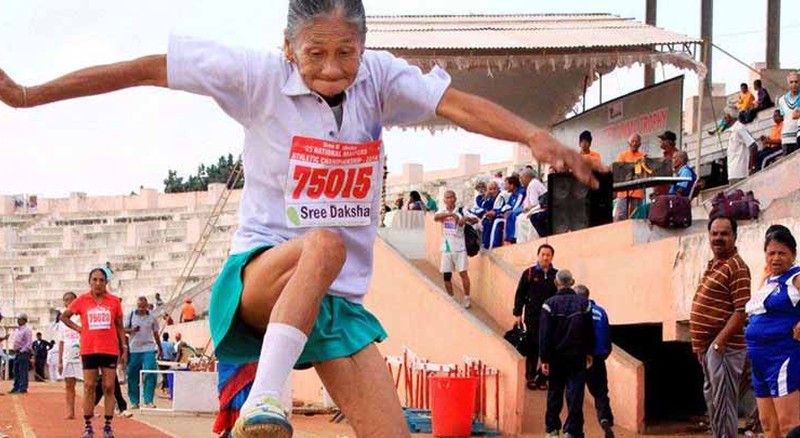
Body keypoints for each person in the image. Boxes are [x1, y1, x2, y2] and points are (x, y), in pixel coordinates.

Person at [0, 1, 598, 435]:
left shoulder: (381, 78)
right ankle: (267, 399)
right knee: (325, 242)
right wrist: (28, 95)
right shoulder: (254, 77)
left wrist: (533, 136)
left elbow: (456, 103)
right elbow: (146, 68)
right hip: (261, 276)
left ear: (363, 47)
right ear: (288, 46)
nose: (332, 69)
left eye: (346, 54)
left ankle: (270, 397)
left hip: (336, 302)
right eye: (315, 54)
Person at [690, 215, 751, 438]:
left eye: (724, 234)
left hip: (725, 349)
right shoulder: (715, 264)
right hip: (710, 349)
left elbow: (741, 310)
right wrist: (702, 347)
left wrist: (718, 344)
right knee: (714, 403)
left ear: (735, 236)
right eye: (714, 233)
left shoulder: (737, 267)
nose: (718, 238)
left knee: (723, 406)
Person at [744, 227, 800, 437]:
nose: (776, 258)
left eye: (782, 253)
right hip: (759, 360)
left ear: (793, 254)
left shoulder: (795, 277)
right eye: (771, 253)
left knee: (789, 425)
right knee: (768, 425)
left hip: (782, 358)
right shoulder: (768, 280)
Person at [61, 268, 128, 438]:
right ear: (89, 282)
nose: (98, 283)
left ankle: (108, 426)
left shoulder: (114, 301)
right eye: (95, 280)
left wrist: (124, 348)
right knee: (89, 386)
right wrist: (79, 329)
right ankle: (88, 426)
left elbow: (119, 326)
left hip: (109, 349)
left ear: (106, 282)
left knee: (109, 386)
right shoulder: (82, 300)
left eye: (101, 280)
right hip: (89, 349)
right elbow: (64, 317)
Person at [539, 270, 595, 438]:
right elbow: (589, 331)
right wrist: (589, 352)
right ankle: (571, 430)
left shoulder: (549, 304)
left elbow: (544, 334)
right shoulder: (584, 304)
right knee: (575, 394)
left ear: (556, 283)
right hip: (577, 356)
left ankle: (552, 429)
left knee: (554, 393)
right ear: (572, 282)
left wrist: (544, 358)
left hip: (556, 357)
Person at [513, 243, 557, 390]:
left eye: (548, 255)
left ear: (552, 257)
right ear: (538, 256)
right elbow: (520, 294)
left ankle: (543, 379)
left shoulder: (556, 275)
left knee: (548, 348)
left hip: (550, 319)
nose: (545, 257)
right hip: (532, 317)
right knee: (532, 347)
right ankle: (531, 377)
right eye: (543, 254)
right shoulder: (529, 273)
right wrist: (517, 313)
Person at [574, 284, 614, 438]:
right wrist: (603, 354)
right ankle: (604, 419)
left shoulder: (575, 312)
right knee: (601, 393)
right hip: (598, 358)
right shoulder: (600, 312)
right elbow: (607, 336)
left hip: (579, 358)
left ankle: (576, 430)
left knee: (576, 395)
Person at [434, 190, 478, 309]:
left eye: (451, 197)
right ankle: (451, 298)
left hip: (460, 248)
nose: (449, 199)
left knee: (463, 273)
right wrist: (449, 215)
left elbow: (475, 219)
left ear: (455, 198)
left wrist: (466, 219)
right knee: (446, 276)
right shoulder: (442, 211)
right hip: (446, 248)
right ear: (444, 200)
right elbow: (436, 217)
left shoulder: (462, 210)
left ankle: (467, 298)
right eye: (447, 197)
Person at [124, 296, 164, 409]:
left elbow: (155, 333)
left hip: (148, 348)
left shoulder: (152, 317)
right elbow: (123, 329)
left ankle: (148, 400)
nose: (141, 308)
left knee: (150, 372)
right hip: (134, 349)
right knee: (132, 375)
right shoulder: (131, 315)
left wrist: (160, 347)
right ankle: (134, 401)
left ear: (147, 306)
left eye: (143, 306)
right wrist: (131, 330)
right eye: (139, 306)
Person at [58, 292, 83, 419]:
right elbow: (61, 341)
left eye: (71, 300)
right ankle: (70, 412)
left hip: (81, 353)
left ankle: (90, 408)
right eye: (66, 300)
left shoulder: (81, 316)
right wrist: (60, 361)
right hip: (68, 355)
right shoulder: (62, 320)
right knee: (69, 384)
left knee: (88, 384)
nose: (68, 302)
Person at [722, 106, 758, 185]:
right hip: (733, 173)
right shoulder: (733, 130)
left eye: (725, 116)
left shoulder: (739, 128)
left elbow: (753, 146)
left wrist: (752, 167)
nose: (724, 118)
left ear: (730, 117)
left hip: (740, 173)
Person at [614, 134, 645, 221]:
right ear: (628, 143)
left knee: (636, 217)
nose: (634, 143)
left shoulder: (643, 156)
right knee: (620, 217)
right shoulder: (622, 155)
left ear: (640, 144)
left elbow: (644, 173)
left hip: (637, 192)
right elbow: (619, 172)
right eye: (632, 141)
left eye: (636, 142)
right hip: (623, 192)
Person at [519, 168, 548, 238]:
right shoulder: (532, 184)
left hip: (541, 209)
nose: (520, 180)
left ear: (527, 177)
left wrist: (528, 210)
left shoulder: (533, 184)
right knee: (519, 217)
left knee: (522, 219)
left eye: (521, 178)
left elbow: (534, 203)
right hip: (538, 207)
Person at [776, 72, 800, 156]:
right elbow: (783, 117)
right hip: (786, 137)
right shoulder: (782, 100)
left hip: (798, 136)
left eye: (796, 82)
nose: (794, 84)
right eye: (791, 82)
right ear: (788, 83)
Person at [10, 312, 33, 394]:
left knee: (23, 370)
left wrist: (22, 350)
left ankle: (23, 387)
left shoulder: (27, 330)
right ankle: (16, 387)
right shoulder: (17, 330)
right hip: (17, 352)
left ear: (24, 320)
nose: (18, 321)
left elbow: (29, 342)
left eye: (20, 319)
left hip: (23, 352)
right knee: (16, 370)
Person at [480, 181, 507, 249]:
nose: (493, 191)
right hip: (491, 217)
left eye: (494, 189)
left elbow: (501, 209)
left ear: (498, 188)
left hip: (500, 216)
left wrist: (494, 213)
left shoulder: (501, 196)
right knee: (485, 222)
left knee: (492, 222)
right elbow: (485, 208)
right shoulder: (490, 197)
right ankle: (485, 245)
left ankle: (492, 246)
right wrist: (486, 198)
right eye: (490, 189)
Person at [501, 175, 526, 244]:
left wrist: (510, 211)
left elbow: (518, 204)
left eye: (506, 185)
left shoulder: (521, 192)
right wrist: (503, 211)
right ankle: (508, 239)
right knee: (507, 214)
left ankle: (512, 238)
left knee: (511, 214)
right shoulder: (512, 194)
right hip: (516, 210)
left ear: (512, 185)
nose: (505, 187)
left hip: (522, 209)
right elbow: (507, 205)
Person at [653, 130, 679, 197]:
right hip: (661, 192)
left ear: (669, 141)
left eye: (663, 139)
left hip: (668, 193)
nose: (660, 141)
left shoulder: (676, 154)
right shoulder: (665, 154)